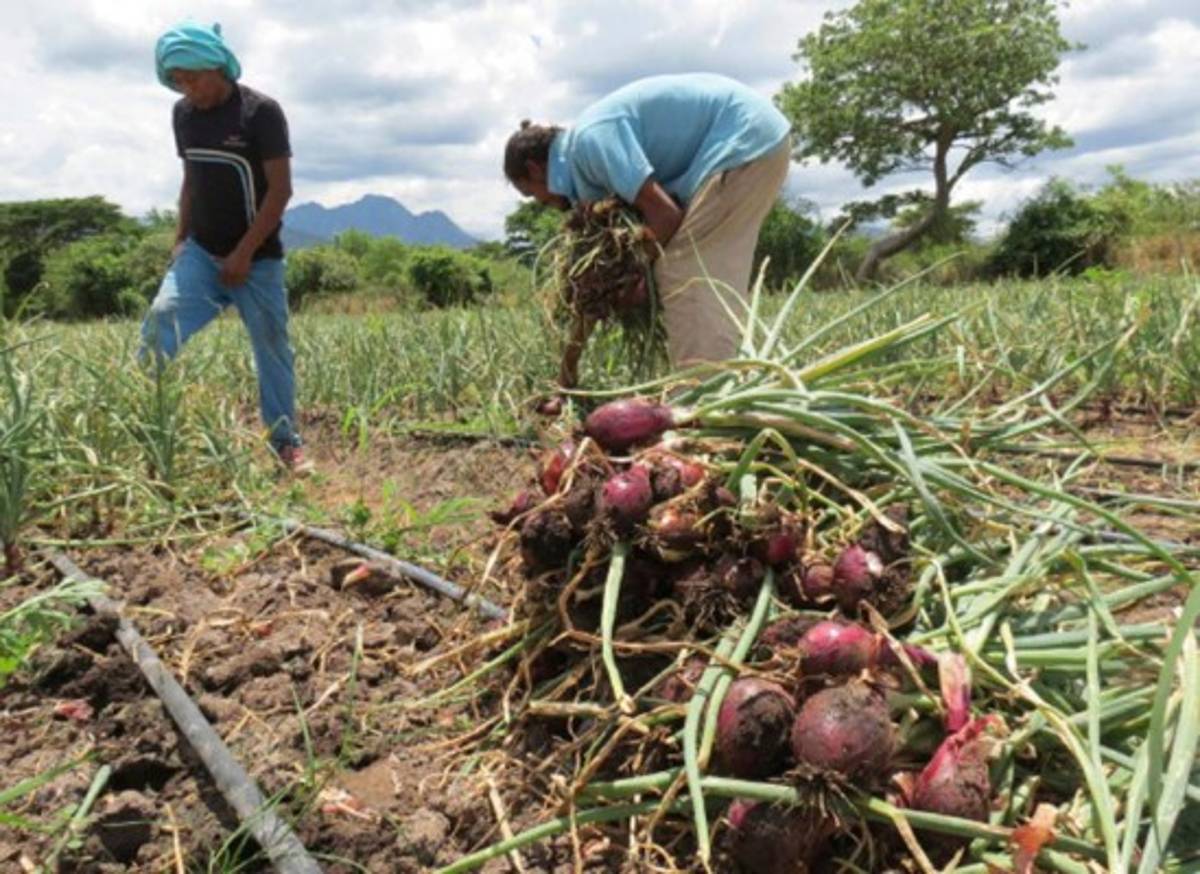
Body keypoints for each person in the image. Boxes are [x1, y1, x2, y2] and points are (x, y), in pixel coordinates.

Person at [504, 72, 791, 387]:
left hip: (742, 141)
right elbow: (594, 286)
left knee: (685, 273)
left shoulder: (590, 142)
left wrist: (636, 277)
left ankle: (703, 399)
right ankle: (715, 387)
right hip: (751, 141)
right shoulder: (591, 186)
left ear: (535, 169)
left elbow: (666, 216)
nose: (544, 204)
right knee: (698, 275)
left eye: (533, 194)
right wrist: (567, 375)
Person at [142, 21, 310, 473]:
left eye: (191, 77)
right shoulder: (183, 115)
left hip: (257, 259)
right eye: (177, 80)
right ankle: (143, 426)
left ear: (215, 66)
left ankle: (285, 443)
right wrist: (179, 241)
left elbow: (280, 191)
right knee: (160, 319)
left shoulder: (260, 113)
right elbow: (191, 181)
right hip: (201, 249)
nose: (186, 88)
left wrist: (243, 254)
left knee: (272, 346)